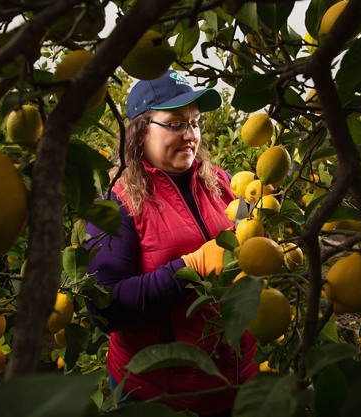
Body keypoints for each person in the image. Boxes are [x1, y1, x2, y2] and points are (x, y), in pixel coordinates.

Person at [84, 70, 257, 417]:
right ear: (140, 132)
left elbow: (243, 233)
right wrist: (189, 268)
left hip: (237, 380)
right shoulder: (116, 203)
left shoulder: (219, 180)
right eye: (176, 124)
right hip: (160, 394)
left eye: (194, 123)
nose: (190, 135)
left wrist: (257, 216)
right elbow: (105, 306)